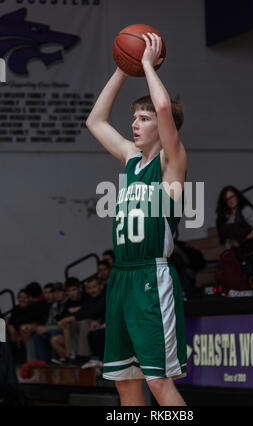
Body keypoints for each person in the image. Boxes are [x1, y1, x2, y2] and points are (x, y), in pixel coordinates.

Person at [86, 32, 187, 406]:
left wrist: (145, 64)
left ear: (162, 128)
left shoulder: (170, 163)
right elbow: (95, 121)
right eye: (134, 117)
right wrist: (121, 69)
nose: (135, 123)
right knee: (126, 383)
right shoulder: (131, 161)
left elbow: (164, 111)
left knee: (159, 383)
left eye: (143, 118)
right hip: (122, 279)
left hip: (151, 277)